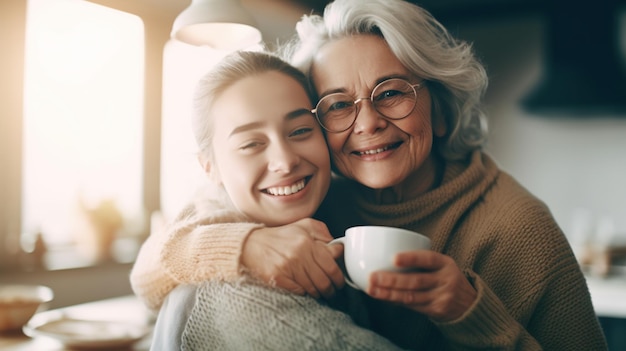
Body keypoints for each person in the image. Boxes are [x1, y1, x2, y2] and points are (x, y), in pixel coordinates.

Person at [131, 0, 608, 349]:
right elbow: (154, 262)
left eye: (391, 93)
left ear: (440, 113)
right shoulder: (313, 194)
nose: (368, 123)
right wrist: (246, 245)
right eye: (338, 105)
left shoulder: (517, 229)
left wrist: (469, 311)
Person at [139, 50, 404, 350]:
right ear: (209, 167)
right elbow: (150, 266)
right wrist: (246, 246)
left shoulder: (342, 199)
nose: (285, 161)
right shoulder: (231, 278)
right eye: (251, 144)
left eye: (301, 130)